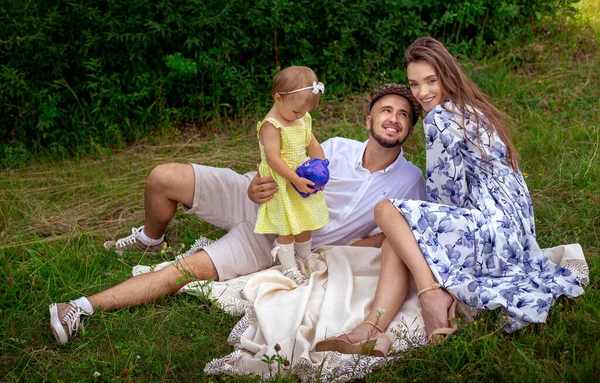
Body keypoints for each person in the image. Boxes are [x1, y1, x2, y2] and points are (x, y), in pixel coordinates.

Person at [49, 83, 427, 345]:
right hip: (257, 198)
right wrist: (255, 186)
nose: (393, 118)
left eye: (403, 115)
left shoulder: (410, 181)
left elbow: (403, 232)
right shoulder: (336, 147)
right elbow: (280, 166)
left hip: (277, 242)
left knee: (180, 273)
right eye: (385, 111)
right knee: (163, 177)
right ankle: (150, 238)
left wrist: (353, 246)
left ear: (409, 129)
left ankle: (79, 308)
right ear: (368, 119)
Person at [315, 37, 585, 356]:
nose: (422, 93)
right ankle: (371, 330)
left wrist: (416, 234)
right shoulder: (471, 109)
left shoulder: (442, 120)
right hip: (516, 234)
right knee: (396, 242)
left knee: (386, 211)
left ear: (447, 75)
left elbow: (446, 200)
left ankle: (432, 295)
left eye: (431, 81)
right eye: (414, 84)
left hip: (494, 232)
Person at [254, 66, 329, 284]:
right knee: (287, 228)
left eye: (304, 112)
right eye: (297, 112)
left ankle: (305, 256)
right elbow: (273, 159)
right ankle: (289, 267)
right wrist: (295, 179)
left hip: (302, 178)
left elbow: (313, 144)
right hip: (283, 182)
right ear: (278, 98)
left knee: (304, 221)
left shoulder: (302, 119)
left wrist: (321, 167)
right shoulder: (272, 126)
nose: (301, 116)